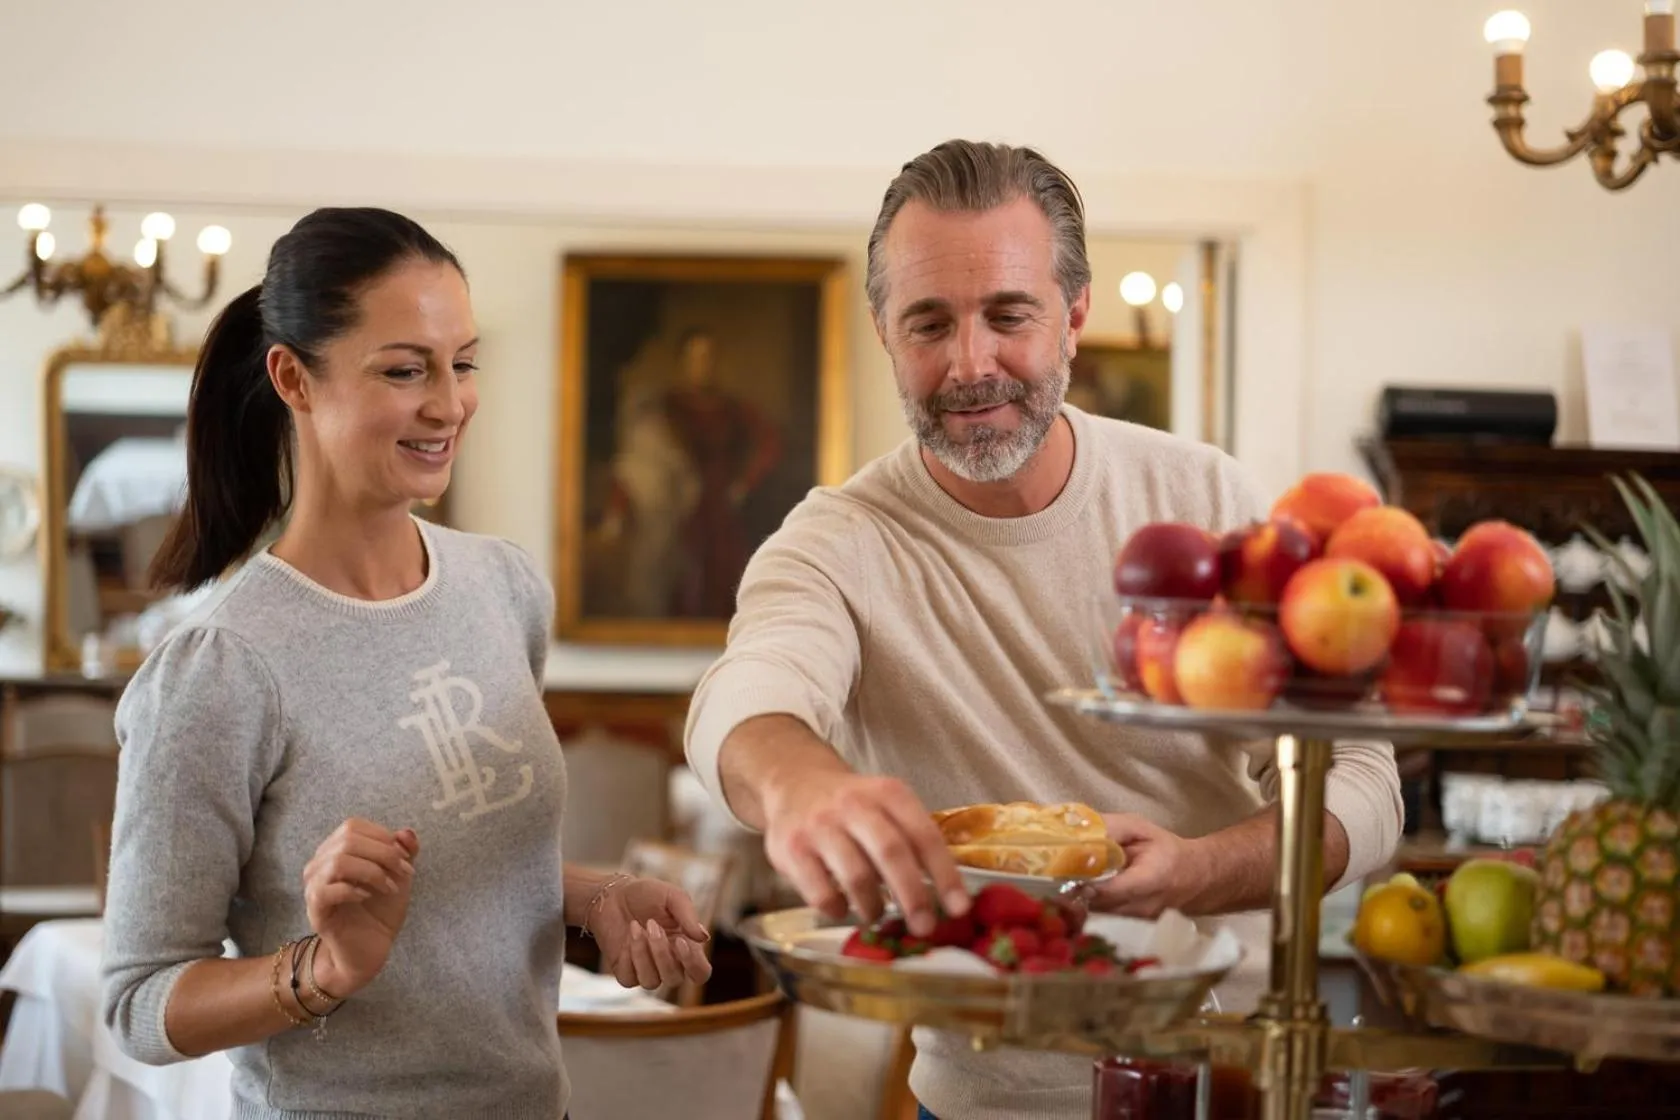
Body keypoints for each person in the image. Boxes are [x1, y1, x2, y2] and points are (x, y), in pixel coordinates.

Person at [681, 141, 1403, 1120]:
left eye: (1008, 315)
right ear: (885, 333)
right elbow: (746, 695)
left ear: (1073, 315)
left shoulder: (1204, 496)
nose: (971, 364)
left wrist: (1196, 870)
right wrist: (804, 785)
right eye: (929, 322)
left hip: (1230, 1083)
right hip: (988, 1101)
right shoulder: (836, 541)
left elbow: (1363, 780)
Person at [100, 207, 713, 1120]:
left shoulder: (503, 588)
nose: (448, 402)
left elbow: (468, 871)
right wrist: (330, 966)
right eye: (404, 370)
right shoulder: (219, 665)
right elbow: (140, 1004)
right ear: (291, 380)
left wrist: (597, 896)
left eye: (462, 363)